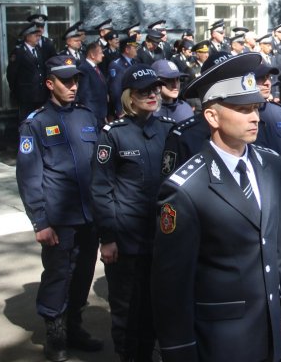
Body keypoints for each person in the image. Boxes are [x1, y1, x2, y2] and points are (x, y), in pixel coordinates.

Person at [151, 52, 281, 362]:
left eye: (256, 107)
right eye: (243, 109)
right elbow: (171, 285)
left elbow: (276, 243)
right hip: (221, 339)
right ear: (212, 117)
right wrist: (179, 351)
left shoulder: (270, 163)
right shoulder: (184, 189)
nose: (255, 117)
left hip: (267, 326)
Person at [16, 55, 103, 361]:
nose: (72, 86)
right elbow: (29, 176)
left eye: (76, 80)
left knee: (83, 275)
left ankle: (75, 326)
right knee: (58, 275)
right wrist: (40, 222)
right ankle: (56, 334)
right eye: (66, 81)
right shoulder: (35, 122)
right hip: (59, 217)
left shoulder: (87, 117)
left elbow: (99, 167)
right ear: (50, 83)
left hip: (89, 215)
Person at [90, 64, 174, 362]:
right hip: (126, 239)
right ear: (129, 97)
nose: (152, 95)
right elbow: (101, 190)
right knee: (127, 308)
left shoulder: (168, 129)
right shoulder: (114, 134)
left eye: (154, 89)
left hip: (162, 236)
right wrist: (108, 238)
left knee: (156, 305)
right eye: (143, 92)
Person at [255, 61, 281, 182]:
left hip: (280, 181)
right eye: (260, 79)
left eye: (268, 78)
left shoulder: (279, 112)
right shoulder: (240, 115)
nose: (267, 83)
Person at [7, 22, 49, 121]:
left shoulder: (38, 50)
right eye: (35, 35)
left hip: (40, 94)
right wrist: (17, 92)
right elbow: (12, 74)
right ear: (27, 36)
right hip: (26, 96)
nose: (38, 38)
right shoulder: (19, 52)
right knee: (26, 121)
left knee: (40, 120)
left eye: (39, 35)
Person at [107, 35, 139, 119]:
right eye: (134, 47)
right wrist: (119, 110)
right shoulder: (117, 65)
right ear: (127, 49)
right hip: (124, 108)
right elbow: (115, 90)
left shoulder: (134, 62)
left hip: (134, 104)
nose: (136, 49)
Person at [76, 41, 109, 125]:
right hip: (92, 116)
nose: (103, 55)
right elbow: (84, 95)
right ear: (92, 55)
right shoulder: (84, 69)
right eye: (101, 53)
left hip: (100, 114)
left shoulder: (96, 68)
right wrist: (89, 116)